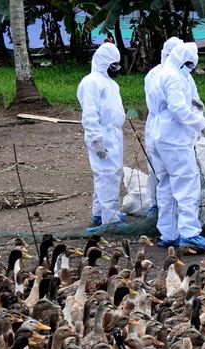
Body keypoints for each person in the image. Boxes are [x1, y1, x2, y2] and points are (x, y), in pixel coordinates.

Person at [148, 42, 205, 250]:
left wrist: (194, 109)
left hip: (158, 134)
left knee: (166, 184)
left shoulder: (160, 72)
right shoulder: (174, 76)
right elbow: (178, 110)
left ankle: (168, 233)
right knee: (187, 183)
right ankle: (189, 233)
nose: (190, 68)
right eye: (189, 64)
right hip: (174, 137)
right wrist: (202, 125)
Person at [77, 42, 126, 233]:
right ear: (103, 62)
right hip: (102, 135)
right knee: (108, 175)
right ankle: (110, 218)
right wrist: (96, 140)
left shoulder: (110, 83)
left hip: (114, 134)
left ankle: (99, 213)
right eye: (113, 65)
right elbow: (90, 113)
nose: (116, 69)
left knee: (110, 173)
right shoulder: (91, 82)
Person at [144, 36, 183, 220]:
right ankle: (155, 205)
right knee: (157, 169)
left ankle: (170, 212)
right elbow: (173, 106)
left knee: (172, 172)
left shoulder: (182, 74)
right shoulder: (155, 74)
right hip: (160, 125)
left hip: (171, 128)